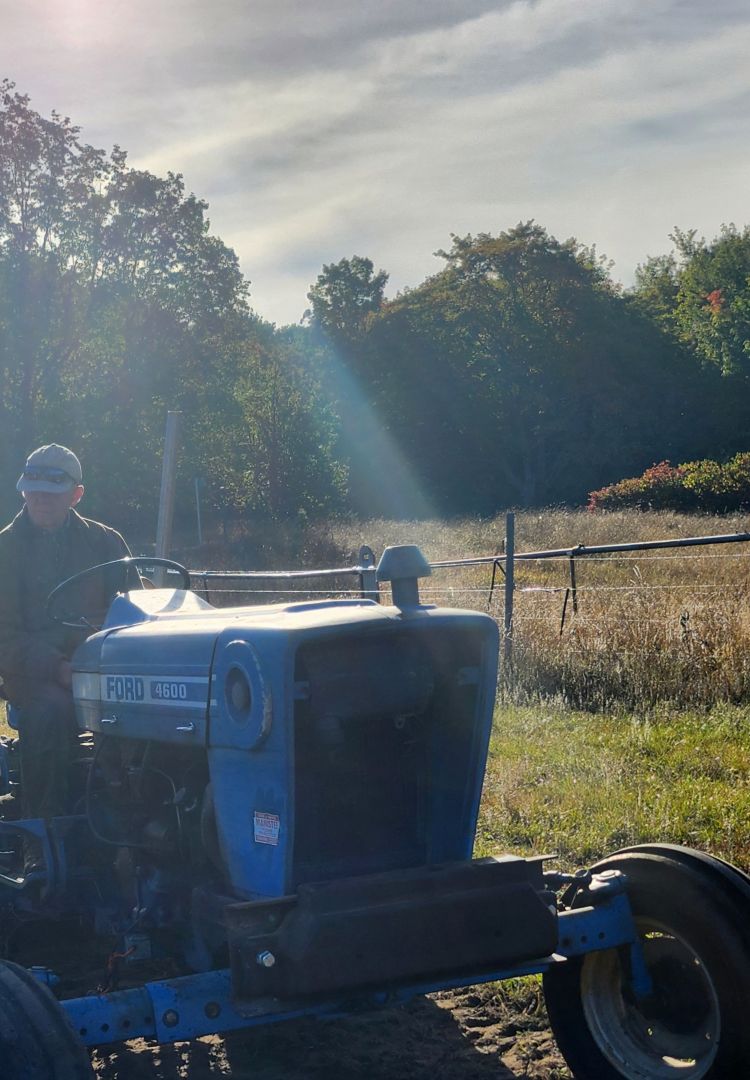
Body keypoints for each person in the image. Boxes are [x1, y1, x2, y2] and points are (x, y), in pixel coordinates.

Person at [0, 444, 130, 823]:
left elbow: (134, 611)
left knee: (153, 714)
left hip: (102, 672)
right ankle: (46, 833)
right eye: (34, 489)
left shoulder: (105, 542)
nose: (41, 498)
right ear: (23, 490)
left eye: (53, 491)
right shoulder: (6, 549)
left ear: (76, 495)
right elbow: (4, 635)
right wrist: (58, 668)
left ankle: (141, 819)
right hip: (35, 677)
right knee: (51, 714)